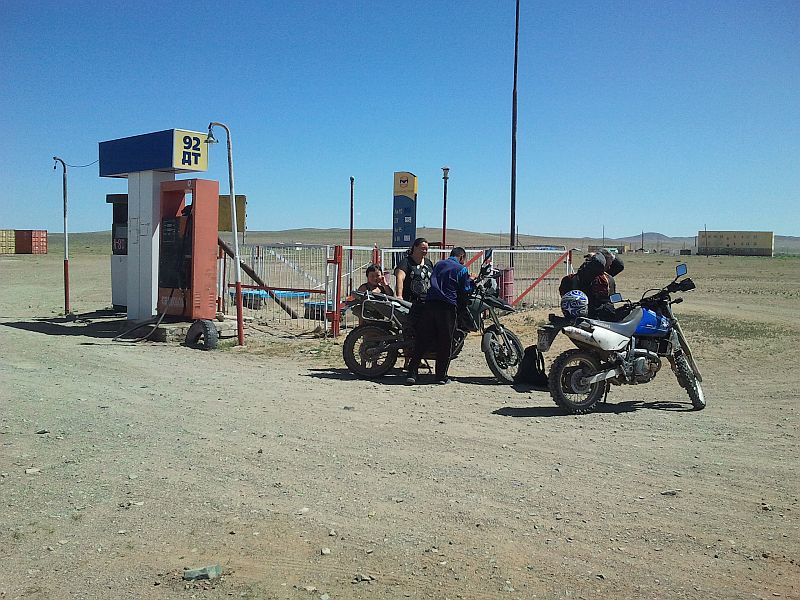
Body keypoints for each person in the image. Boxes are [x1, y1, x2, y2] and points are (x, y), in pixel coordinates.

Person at [405, 247, 473, 385]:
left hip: (429, 305)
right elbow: (465, 289)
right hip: (447, 307)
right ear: (461, 257)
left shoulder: (439, 264)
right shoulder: (462, 269)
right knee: (445, 341)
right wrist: (471, 282)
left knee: (422, 340)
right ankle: (440, 376)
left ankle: (412, 373)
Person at [559, 249, 625, 320]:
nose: (609, 267)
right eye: (608, 265)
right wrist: (598, 256)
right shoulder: (602, 280)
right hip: (597, 320)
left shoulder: (570, 278)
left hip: (585, 318)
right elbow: (598, 263)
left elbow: (619, 266)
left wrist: (601, 256)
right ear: (603, 264)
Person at [394, 238, 433, 304]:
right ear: (415, 247)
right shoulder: (406, 262)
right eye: (423, 248)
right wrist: (399, 296)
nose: (425, 251)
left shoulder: (428, 262)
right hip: (410, 301)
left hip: (427, 301)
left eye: (426, 249)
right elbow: (400, 278)